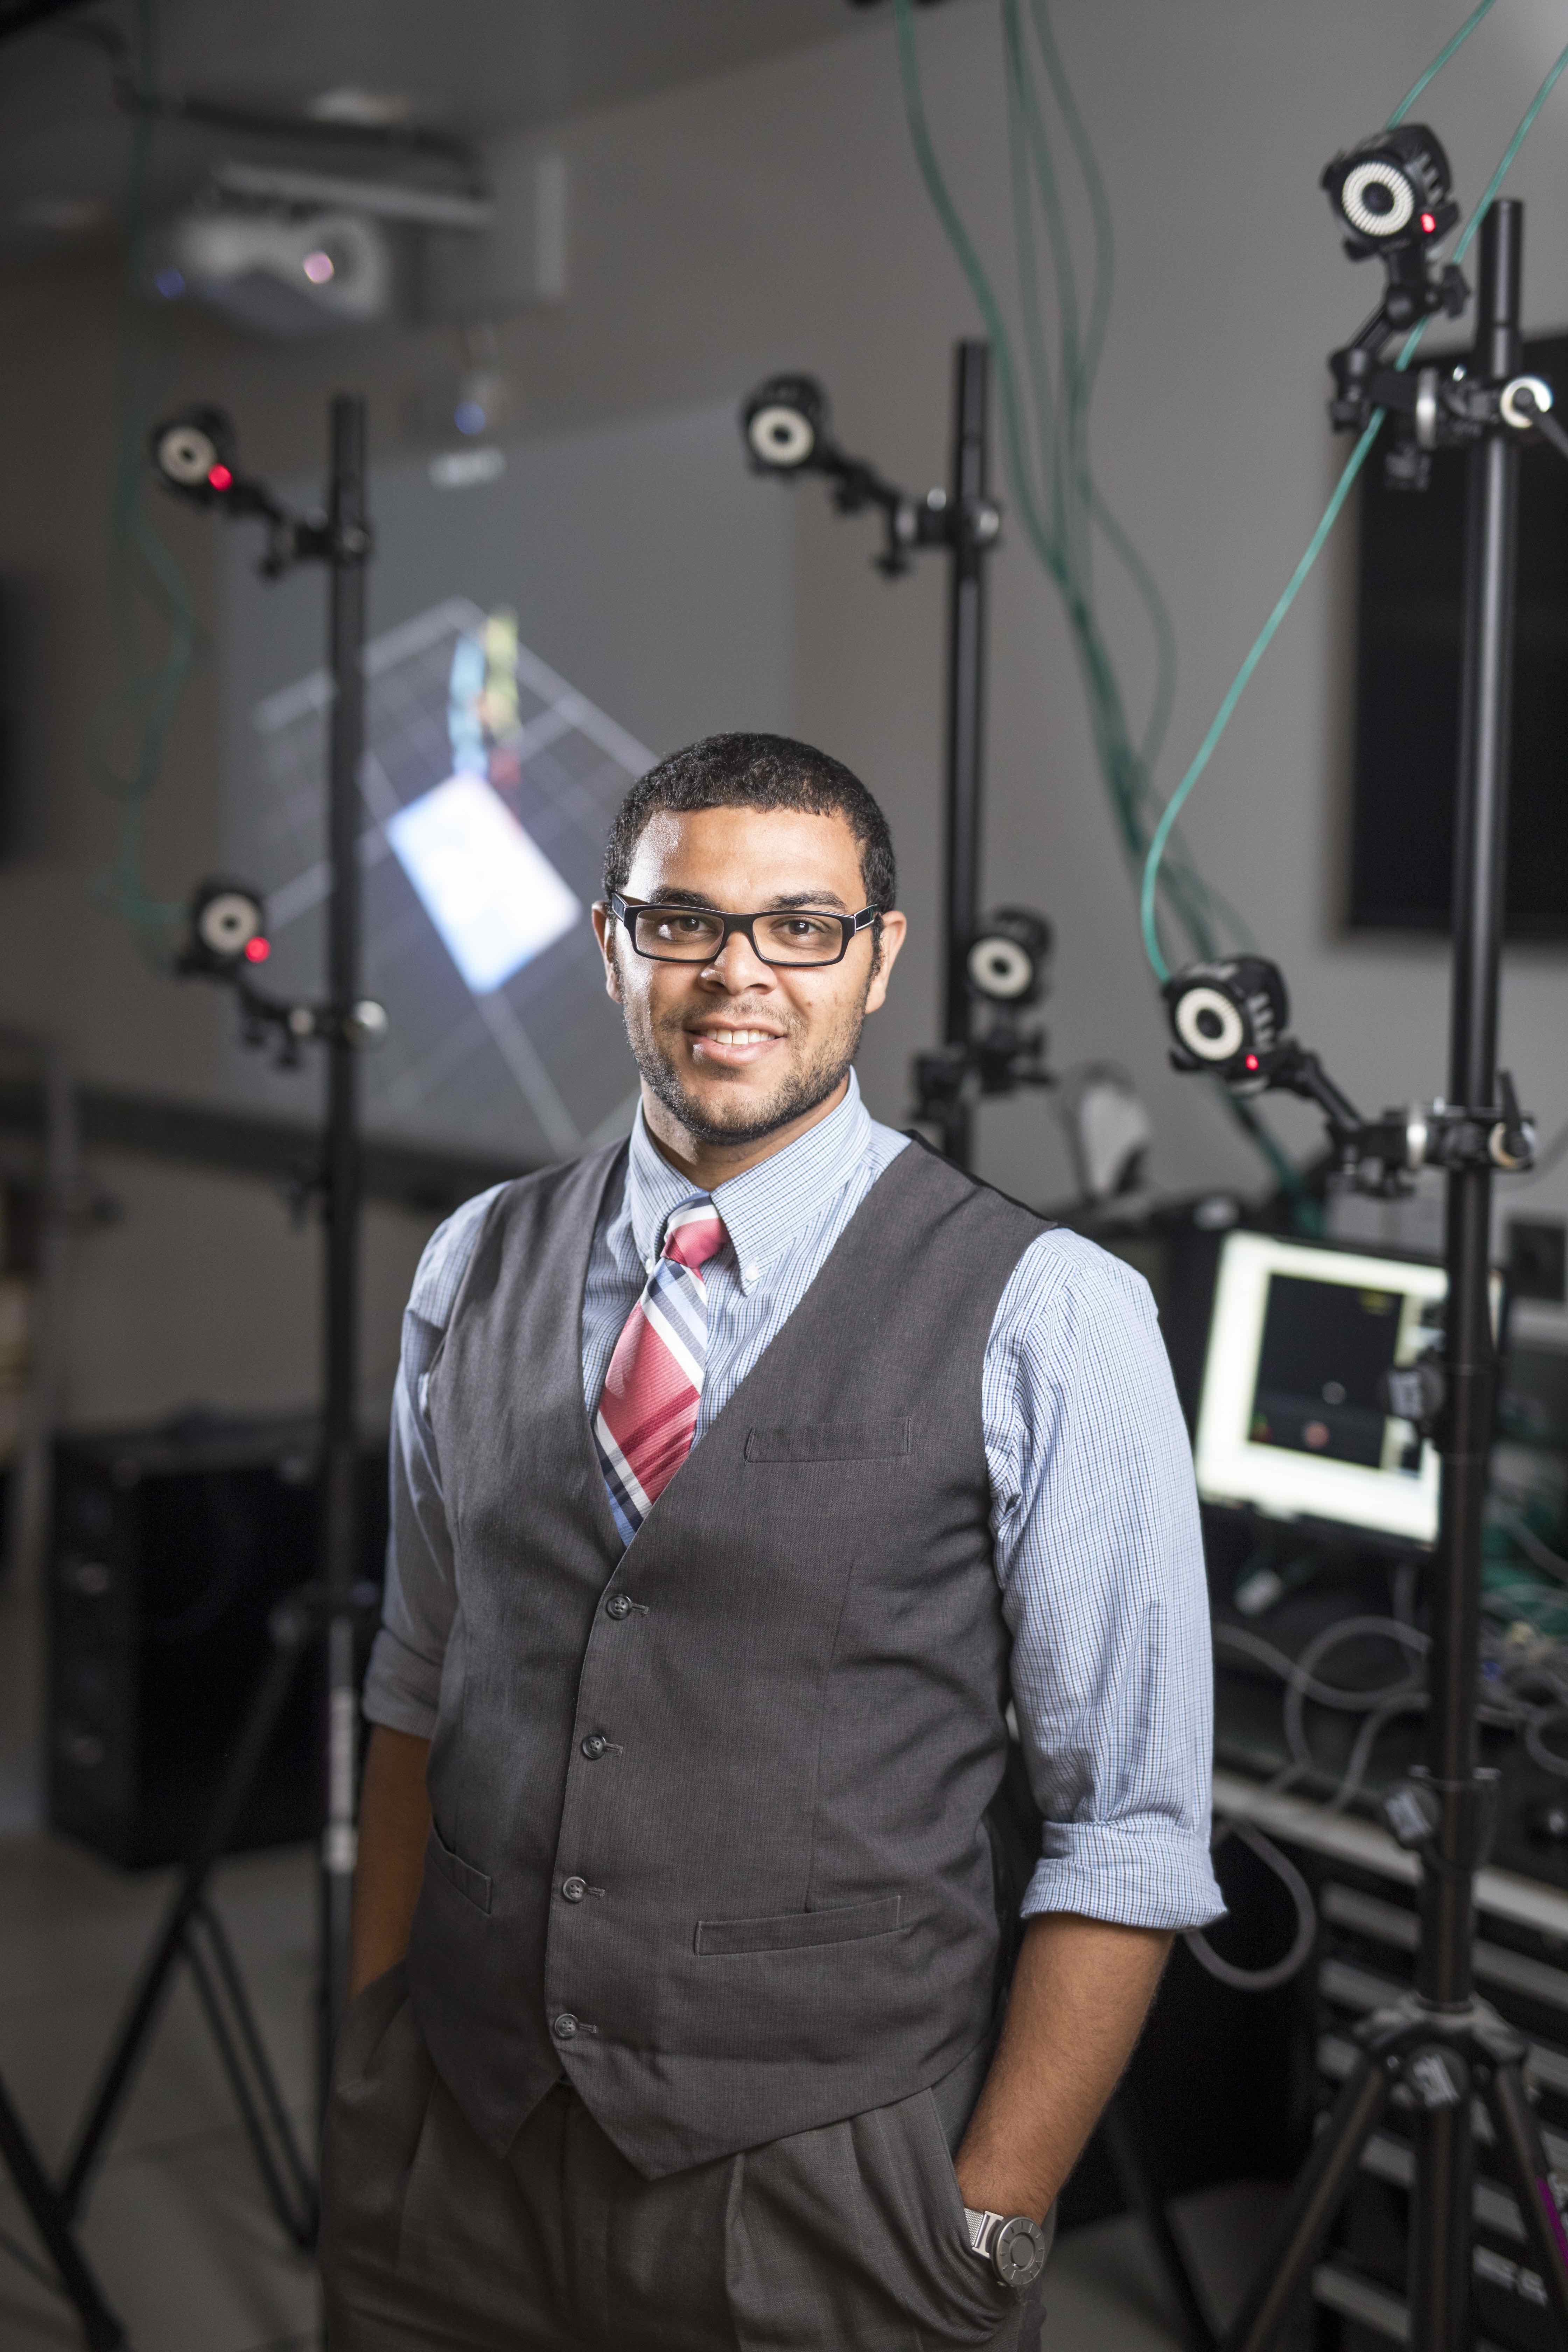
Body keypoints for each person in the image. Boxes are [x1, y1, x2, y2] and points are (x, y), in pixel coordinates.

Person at [320, 732, 1223, 2351]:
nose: (739, 973)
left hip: (823, 2185)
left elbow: (1130, 1830)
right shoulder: (474, 1261)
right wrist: (374, 2050)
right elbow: (418, 1684)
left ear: (877, 961)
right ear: (612, 945)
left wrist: (993, 2217)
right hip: (458, 2142)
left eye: (802, 925)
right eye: (683, 921)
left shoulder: (1052, 1313)